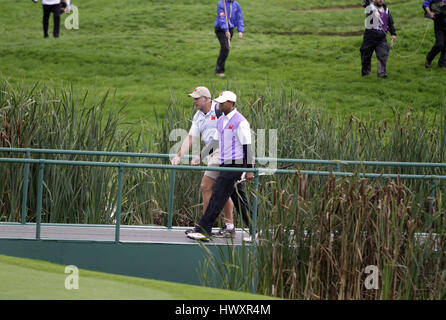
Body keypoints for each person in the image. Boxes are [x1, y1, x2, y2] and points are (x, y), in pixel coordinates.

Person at [186, 91, 255, 242]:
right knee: (239, 199)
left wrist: (249, 169)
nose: (219, 105)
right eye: (219, 102)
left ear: (231, 103)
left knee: (217, 195)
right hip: (225, 163)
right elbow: (215, 142)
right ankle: (254, 230)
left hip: (236, 164)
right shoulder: (222, 120)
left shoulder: (240, 121)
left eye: (223, 102)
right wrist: (201, 156)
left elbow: (247, 147)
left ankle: (203, 230)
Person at [171, 86, 236, 237]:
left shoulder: (220, 110)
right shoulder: (198, 115)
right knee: (223, 189)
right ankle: (228, 226)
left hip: (223, 151)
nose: (194, 101)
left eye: (196, 98)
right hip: (212, 154)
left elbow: (219, 138)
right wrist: (179, 155)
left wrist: (201, 155)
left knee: (206, 186)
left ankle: (204, 227)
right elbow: (191, 137)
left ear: (206, 99)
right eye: (193, 98)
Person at [360, 0, 397, 78]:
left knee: (383, 55)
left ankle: (381, 73)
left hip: (381, 38)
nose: (381, 0)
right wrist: (373, 13)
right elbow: (366, 4)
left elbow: (390, 23)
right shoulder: (370, 7)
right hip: (369, 37)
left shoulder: (386, 9)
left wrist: (393, 33)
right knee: (365, 56)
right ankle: (366, 74)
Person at [214, 0, 245, 77]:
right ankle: (219, 71)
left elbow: (239, 17)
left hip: (230, 29)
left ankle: (220, 67)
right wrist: (225, 30)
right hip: (220, 29)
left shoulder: (236, 4)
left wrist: (240, 30)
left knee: (225, 49)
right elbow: (222, 18)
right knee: (225, 48)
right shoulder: (221, 4)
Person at [423, 0, 446, 69]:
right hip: (439, 23)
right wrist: (430, 13)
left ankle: (442, 63)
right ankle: (429, 59)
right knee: (440, 44)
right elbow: (425, 4)